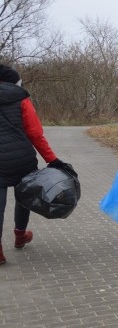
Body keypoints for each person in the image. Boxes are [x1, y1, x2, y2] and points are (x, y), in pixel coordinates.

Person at [0, 64, 74, 265]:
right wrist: (52, 159)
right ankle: (20, 235)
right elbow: (35, 133)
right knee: (23, 196)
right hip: (21, 159)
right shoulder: (20, 99)